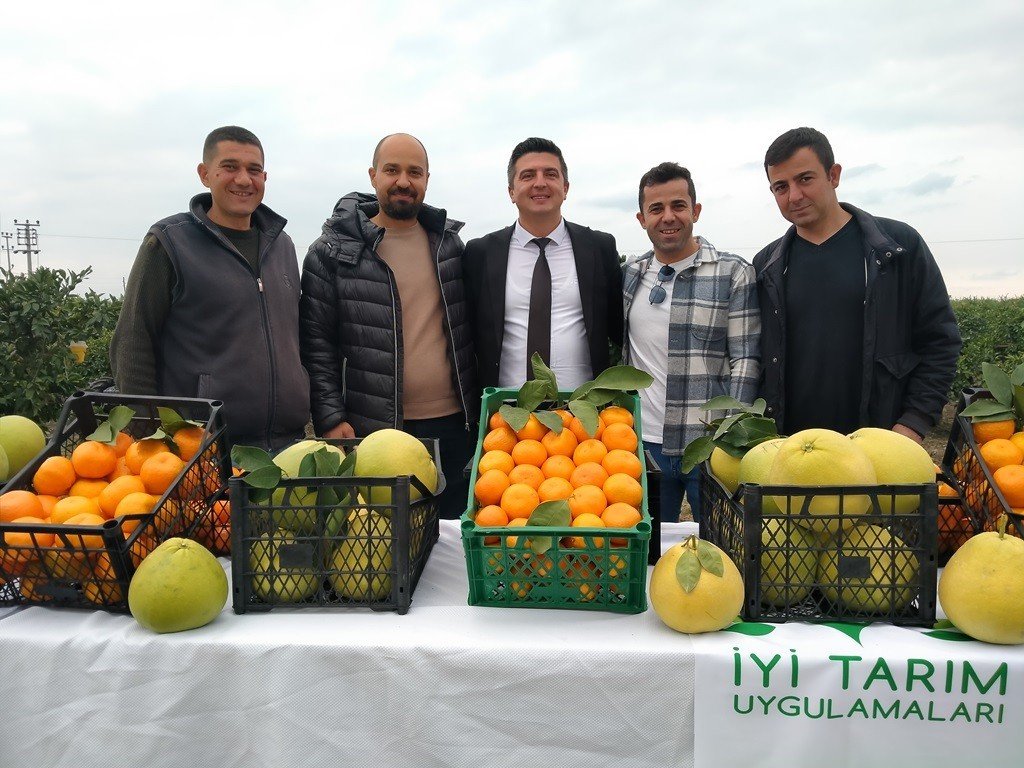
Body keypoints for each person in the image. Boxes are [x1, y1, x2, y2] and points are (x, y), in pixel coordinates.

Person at [299, 133, 477, 519]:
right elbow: (317, 344)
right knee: (385, 544)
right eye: (392, 170)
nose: (403, 181)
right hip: (375, 430)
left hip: (454, 426)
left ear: (427, 179)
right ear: (373, 175)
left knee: (451, 540)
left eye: (415, 172)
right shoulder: (332, 253)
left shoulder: (448, 246)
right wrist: (330, 418)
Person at [754, 127, 961, 441]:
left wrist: (913, 422)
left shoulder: (898, 248)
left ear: (834, 175)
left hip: (879, 445)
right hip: (791, 450)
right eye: (781, 187)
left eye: (805, 179)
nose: (794, 195)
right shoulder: (766, 265)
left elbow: (940, 341)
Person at [110, 125, 309, 452]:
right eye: (230, 167)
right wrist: (148, 434)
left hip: (288, 445)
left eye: (254, 170)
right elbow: (134, 339)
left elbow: (295, 335)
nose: (244, 179)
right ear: (205, 174)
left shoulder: (282, 246)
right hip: (202, 448)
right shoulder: (170, 242)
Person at [623, 162, 760, 522]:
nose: (668, 217)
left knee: (722, 546)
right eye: (656, 209)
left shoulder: (733, 272)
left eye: (678, 206)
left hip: (708, 446)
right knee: (646, 554)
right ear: (642, 218)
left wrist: (728, 441)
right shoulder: (631, 275)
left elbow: (745, 361)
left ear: (695, 211)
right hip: (641, 447)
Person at [463, 137, 623, 390]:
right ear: (511, 191)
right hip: (503, 414)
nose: (540, 183)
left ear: (566, 187)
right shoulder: (480, 253)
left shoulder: (598, 248)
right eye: (527, 175)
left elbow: (620, 327)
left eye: (550, 174)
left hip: (584, 414)